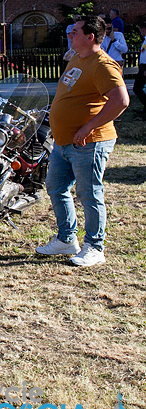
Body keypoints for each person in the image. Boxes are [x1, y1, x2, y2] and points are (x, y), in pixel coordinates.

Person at [35, 16, 129, 267]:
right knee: (56, 187)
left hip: (90, 142)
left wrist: (88, 127)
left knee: (89, 194)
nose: (70, 35)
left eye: (75, 32)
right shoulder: (76, 57)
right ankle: (67, 239)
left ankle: (95, 247)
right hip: (64, 142)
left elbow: (121, 101)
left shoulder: (103, 65)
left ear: (90, 37)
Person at [134, 22, 146, 117]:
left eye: (141, 30)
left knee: (137, 88)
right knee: (137, 88)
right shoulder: (145, 40)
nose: (141, 32)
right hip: (142, 67)